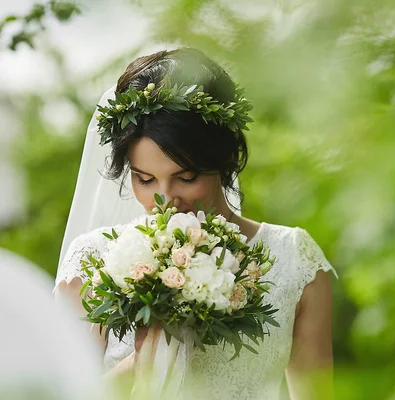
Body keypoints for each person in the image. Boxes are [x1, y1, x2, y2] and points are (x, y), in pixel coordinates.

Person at [54, 48, 336, 400]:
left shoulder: (295, 259)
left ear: (227, 159)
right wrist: (145, 358)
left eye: (185, 177)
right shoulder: (94, 261)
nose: (165, 198)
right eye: (145, 179)